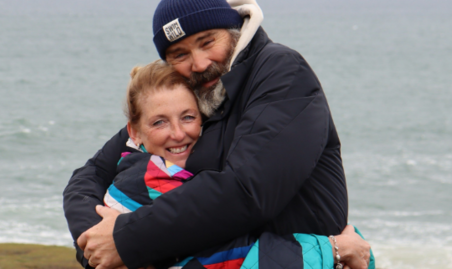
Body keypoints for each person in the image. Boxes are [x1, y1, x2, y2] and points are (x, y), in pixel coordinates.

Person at [63, 0, 372, 268]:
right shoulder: (192, 96)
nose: (199, 64)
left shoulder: (281, 72)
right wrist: (97, 246)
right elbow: (90, 175)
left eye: (208, 42)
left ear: (234, 30)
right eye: (180, 54)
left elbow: (248, 190)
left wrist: (126, 240)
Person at [103, 60, 371, 269]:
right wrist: (334, 249)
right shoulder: (145, 179)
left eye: (187, 117)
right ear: (134, 133)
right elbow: (231, 257)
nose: (178, 133)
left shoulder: (177, 173)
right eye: (159, 122)